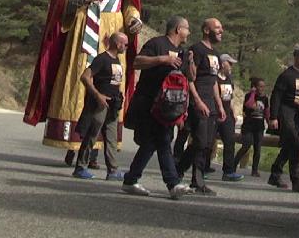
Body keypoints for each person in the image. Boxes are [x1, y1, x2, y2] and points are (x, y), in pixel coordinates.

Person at [24, 0, 142, 161]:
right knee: (82, 78)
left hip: (116, 28)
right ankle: (75, 142)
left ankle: (99, 147)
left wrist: (134, 20)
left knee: (112, 82)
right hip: (86, 23)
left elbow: (130, 2)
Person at [121, 15, 192, 200]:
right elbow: (137, 62)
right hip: (148, 102)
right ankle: (173, 183)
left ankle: (131, 179)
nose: (189, 32)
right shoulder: (157, 44)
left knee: (153, 143)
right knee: (162, 141)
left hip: (169, 107)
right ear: (177, 29)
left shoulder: (182, 52)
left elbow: (187, 80)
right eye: (186, 28)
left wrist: (182, 113)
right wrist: (162, 59)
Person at [177, 18, 226, 196]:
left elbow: (213, 82)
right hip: (198, 102)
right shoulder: (196, 49)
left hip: (211, 104)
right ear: (206, 30)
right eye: (217, 28)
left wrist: (219, 105)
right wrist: (197, 101)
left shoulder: (217, 54)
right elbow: (189, 78)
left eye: (221, 28)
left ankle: (178, 169)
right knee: (199, 141)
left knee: (205, 143)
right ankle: (197, 181)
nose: (221, 31)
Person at [72, 32, 128, 181]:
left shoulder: (117, 60)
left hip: (113, 105)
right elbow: (85, 76)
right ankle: (80, 167)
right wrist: (97, 95)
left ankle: (113, 171)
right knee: (92, 135)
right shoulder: (102, 59)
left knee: (111, 138)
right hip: (99, 105)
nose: (126, 47)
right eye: (125, 44)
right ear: (118, 44)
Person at [268, 48, 299, 192]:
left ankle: (275, 173)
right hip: (286, 112)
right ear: (296, 57)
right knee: (295, 145)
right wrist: (273, 117)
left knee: (289, 146)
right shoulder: (286, 75)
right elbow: (276, 96)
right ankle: (296, 180)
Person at [234, 76, 269, 178]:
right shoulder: (249, 96)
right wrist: (253, 93)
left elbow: (266, 111)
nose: (262, 88)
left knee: (258, 148)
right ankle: (233, 164)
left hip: (259, 126)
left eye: (263, 87)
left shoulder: (265, 98)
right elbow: (249, 105)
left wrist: (269, 122)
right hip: (248, 126)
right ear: (255, 87)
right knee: (246, 146)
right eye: (260, 86)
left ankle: (254, 170)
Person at [217, 53, 244, 182]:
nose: (231, 66)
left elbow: (231, 98)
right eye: (230, 63)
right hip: (215, 114)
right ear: (222, 64)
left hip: (227, 115)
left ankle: (228, 171)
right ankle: (202, 168)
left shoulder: (229, 79)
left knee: (230, 142)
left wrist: (233, 113)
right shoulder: (215, 79)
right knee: (206, 142)